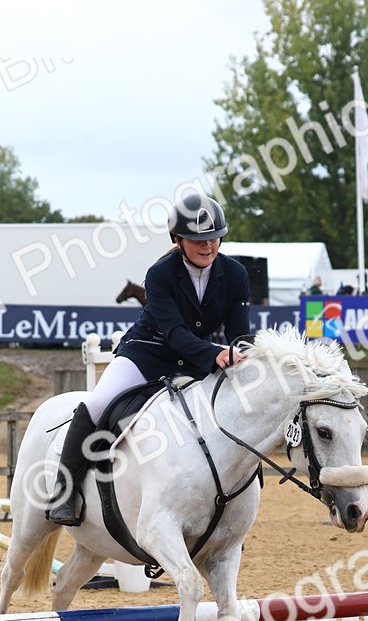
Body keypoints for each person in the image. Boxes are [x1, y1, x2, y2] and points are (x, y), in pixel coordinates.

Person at [46, 191, 252, 526]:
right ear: (177, 239)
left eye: (214, 238)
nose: (208, 246)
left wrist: (248, 356)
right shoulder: (160, 274)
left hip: (196, 361)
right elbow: (174, 333)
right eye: (198, 240)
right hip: (147, 354)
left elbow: (240, 334)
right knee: (98, 403)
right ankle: (63, 491)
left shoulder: (236, 274)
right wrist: (216, 354)